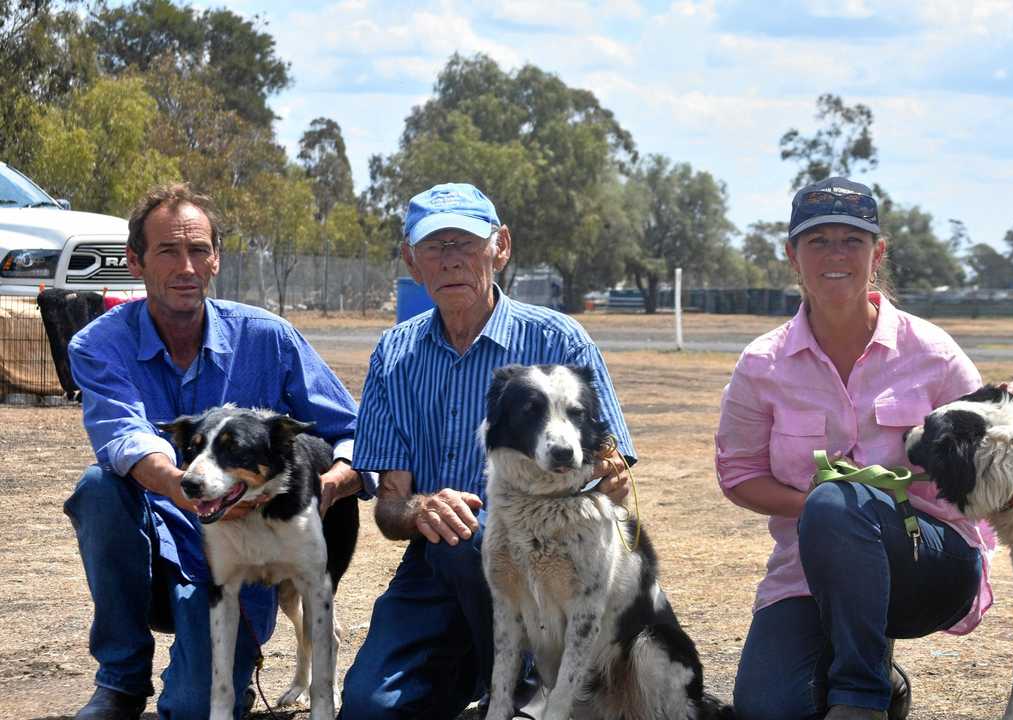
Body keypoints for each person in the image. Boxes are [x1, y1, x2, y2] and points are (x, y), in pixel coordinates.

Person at [715, 177, 1013, 720]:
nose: (835, 255)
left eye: (852, 241)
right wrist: (819, 508)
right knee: (769, 711)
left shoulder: (933, 353)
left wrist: (1010, 416)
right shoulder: (761, 365)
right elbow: (739, 475)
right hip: (808, 573)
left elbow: (986, 457)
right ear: (792, 255)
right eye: (818, 242)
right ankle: (884, 684)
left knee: (840, 506)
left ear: (876, 253)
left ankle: (860, 700)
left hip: (930, 563)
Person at [63, 184, 366, 720]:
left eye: (199, 250)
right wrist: (185, 488)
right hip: (153, 550)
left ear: (216, 260)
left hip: (243, 555)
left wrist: (331, 484)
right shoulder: (97, 345)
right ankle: (121, 681)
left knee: (194, 708)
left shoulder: (269, 338)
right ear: (135, 261)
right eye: (167, 251)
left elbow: (353, 431)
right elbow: (125, 439)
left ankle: (215, 672)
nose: (186, 266)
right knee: (98, 489)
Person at [339, 182, 636, 719]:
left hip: (553, 565)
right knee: (367, 708)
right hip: (436, 565)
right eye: (435, 246)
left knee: (478, 536)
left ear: (500, 247)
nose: (450, 260)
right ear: (412, 260)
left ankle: (531, 687)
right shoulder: (394, 355)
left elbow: (613, 472)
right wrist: (418, 508)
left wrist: (602, 480)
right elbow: (389, 508)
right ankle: (478, 681)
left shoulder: (559, 342)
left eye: (465, 244)